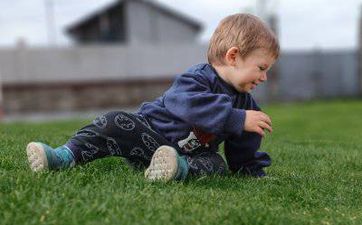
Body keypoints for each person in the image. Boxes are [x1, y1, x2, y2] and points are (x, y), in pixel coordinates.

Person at [26, 13, 279, 182]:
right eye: (261, 68)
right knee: (113, 121)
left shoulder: (245, 104)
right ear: (233, 56)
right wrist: (236, 118)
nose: (264, 77)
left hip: (184, 156)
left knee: (216, 164)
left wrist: (250, 169)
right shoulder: (198, 78)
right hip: (147, 138)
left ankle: (175, 170)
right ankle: (63, 157)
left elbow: (242, 144)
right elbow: (184, 103)